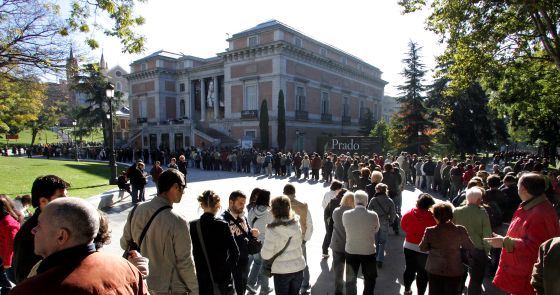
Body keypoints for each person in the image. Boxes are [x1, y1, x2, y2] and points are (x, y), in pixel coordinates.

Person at [10, 198, 148, 295]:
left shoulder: (31, 290)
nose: (33, 230)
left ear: (61, 236)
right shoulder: (127, 268)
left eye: (39, 225)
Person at [120, 169, 198, 295]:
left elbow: (124, 244)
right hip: (170, 288)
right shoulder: (178, 221)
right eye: (183, 187)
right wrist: (195, 290)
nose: (183, 192)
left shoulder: (136, 210)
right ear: (175, 187)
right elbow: (185, 262)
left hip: (142, 283)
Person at [485, 173, 560, 295]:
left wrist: (505, 242)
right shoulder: (535, 206)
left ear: (523, 189)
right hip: (523, 273)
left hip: (526, 279)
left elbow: (538, 247)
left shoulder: (539, 214)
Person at [12, 175, 69, 284]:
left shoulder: (61, 222)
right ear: (43, 201)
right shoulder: (28, 234)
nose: (68, 202)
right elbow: (23, 278)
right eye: (61, 198)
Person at [189, 190, 239, 295]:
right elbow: (235, 252)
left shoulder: (192, 226)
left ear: (201, 205)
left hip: (202, 278)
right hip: (222, 280)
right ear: (217, 206)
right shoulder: (223, 226)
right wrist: (227, 269)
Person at [419, 202, 474, 295]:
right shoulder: (460, 230)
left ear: (435, 216)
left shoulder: (430, 231)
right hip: (454, 269)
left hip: (435, 269)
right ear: (451, 215)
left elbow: (422, 248)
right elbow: (470, 247)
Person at [260, 195, 306, 295]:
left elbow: (266, 255)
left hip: (281, 272)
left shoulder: (272, 229)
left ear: (274, 210)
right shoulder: (296, 224)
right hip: (298, 268)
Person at [453, 187, 492, 295]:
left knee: (458, 276)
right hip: (477, 250)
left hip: (459, 249)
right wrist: (487, 251)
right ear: (479, 200)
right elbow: (487, 234)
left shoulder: (457, 211)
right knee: (476, 280)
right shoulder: (482, 213)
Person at [221, 190, 259, 295]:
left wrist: (252, 233)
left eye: (244, 203)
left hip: (244, 259)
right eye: (240, 203)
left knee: (242, 286)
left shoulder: (243, 217)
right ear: (231, 202)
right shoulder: (223, 220)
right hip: (232, 263)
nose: (243, 206)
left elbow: (247, 234)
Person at [342, 190, 379, 295]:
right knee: (370, 278)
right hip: (368, 251)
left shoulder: (346, 214)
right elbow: (376, 230)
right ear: (366, 201)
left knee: (350, 279)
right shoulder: (373, 215)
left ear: (354, 201)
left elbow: (346, 228)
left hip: (351, 250)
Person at [400, 193, 436, 295]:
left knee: (409, 269)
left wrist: (412, 231)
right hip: (425, 248)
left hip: (409, 245)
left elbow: (403, 226)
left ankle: (407, 290)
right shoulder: (433, 217)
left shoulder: (409, 213)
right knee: (423, 273)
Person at [283, 184, 313, 294]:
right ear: (294, 193)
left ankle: (288, 285)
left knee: (285, 263)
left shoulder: (278, 207)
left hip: (284, 240)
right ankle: (304, 285)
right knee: (303, 262)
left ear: (284, 193)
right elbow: (310, 224)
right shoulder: (303, 206)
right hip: (300, 239)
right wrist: (306, 239)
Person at [247, 189, 273, 294]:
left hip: (254, 242)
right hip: (265, 243)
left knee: (258, 263)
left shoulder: (252, 210)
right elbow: (272, 228)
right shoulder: (270, 212)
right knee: (264, 266)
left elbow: (249, 224)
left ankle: (256, 284)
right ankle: (262, 287)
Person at [329, 191, 355, 295]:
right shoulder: (354, 213)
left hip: (337, 244)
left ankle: (338, 292)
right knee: (350, 274)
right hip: (351, 246)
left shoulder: (336, 211)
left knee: (338, 273)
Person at [367, 183, 396, 268]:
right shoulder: (389, 200)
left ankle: (375, 255)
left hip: (375, 221)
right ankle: (380, 259)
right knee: (382, 241)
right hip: (384, 221)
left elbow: (368, 210)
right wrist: (391, 221)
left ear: (378, 190)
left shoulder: (373, 199)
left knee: (375, 239)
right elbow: (393, 213)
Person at [0, 195, 20, 295]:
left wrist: (7, 262)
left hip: (6, 259)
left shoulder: (8, 223)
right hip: (2, 255)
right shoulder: (2, 220)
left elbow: (11, 244)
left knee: (8, 281)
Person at [321, 181, 343, 258]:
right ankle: (331, 250)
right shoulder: (336, 196)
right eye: (340, 188)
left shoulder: (327, 193)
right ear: (337, 188)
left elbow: (323, 204)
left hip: (327, 216)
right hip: (334, 216)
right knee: (332, 233)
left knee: (328, 232)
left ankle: (324, 250)